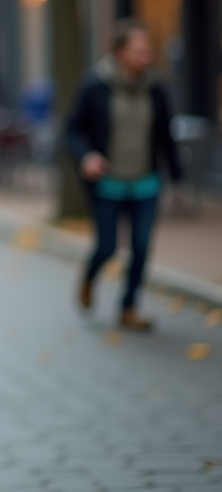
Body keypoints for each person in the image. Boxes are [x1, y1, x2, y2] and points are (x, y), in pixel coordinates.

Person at [65, 18, 182, 331]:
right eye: (139, 51)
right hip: (108, 183)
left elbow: (166, 135)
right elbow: (72, 130)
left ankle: (128, 307)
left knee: (141, 247)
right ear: (119, 52)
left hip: (146, 181)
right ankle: (90, 276)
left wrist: (176, 177)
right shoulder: (94, 86)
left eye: (149, 51)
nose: (146, 57)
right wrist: (87, 156)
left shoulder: (156, 88)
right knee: (107, 247)